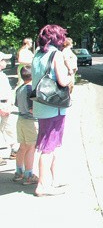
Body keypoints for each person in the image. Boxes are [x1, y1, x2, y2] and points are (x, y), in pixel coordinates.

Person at [31, 24, 73, 197]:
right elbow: (63, 81)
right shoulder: (56, 54)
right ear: (57, 38)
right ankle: (42, 185)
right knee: (48, 148)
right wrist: (71, 73)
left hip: (41, 105)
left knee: (51, 146)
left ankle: (54, 179)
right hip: (54, 107)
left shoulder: (38, 54)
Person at [12, 65, 38, 185]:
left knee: (22, 147)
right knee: (31, 148)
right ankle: (29, 175)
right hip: (30, 121)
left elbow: (17, 104)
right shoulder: (31, 89)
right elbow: (32, 109)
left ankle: (19, 172)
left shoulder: (19, 88)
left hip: (20, 120)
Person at [0, 51, 17, 165]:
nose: (5, 62)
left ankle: (14, 149)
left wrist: (10, 103)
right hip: (1, 105)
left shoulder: (2, 74)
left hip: (6, 104)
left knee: (9, 128)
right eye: (3, 60)